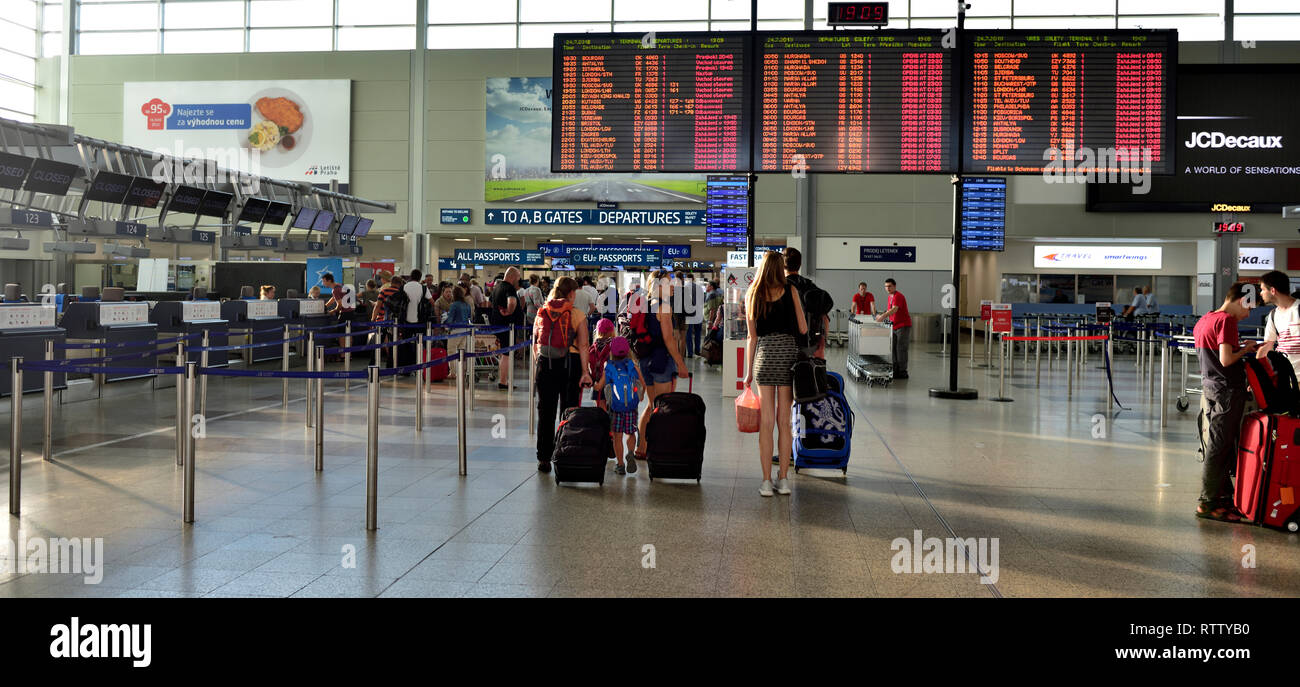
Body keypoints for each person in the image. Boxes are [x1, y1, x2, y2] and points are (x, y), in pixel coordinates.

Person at [744, 250, 809, 497]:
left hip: (764, 358)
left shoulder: (752, 295)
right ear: (780, 268)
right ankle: (783, 480)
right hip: (787, 357)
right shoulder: (790, 290)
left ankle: (765, 482)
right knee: (785, 422)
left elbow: (752, 337)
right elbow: (802, 328)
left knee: (766, 422)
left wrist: (747, 372)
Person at [1194, 282, 1257, 523]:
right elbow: (1226, 359)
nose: (1248, 315)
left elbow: (1212, 357)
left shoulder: (1205, 319)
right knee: (1219, 447)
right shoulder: (1227, 321)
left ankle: (1222, 498)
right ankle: (1207, 502)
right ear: (1242, 300)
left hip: (1210, 388)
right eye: (1249, 309)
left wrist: (1238, 348)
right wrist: (1246, 349)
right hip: (1227, 391)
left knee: (1218, 443)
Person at [533, 276, 592, 473]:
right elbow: (584, 345)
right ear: (571, 293)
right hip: (570, 364)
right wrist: (585, 372)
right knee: (569, 412)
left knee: (545, 411)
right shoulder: (576, 315)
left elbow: (536, 343)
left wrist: (539, 365)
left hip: (545, 364)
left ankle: (543, 457)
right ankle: (565, 453)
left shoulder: (543, 311)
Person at [632, 270, 689, 466]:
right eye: (668, 282)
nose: (672, 286)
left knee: (651, 405)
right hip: (661, 361)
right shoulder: (663, 307)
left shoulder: (647, 304)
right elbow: (668, 339)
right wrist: (680, 363)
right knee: (662, 407)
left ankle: (642, 447)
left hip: (645, 360)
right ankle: (658, 448)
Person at [595, 336, 646, 476]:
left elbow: (599, 386)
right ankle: (630, 452)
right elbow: (642, 383)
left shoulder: (609, 366)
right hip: (631, 407)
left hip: (616, 408)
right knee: (630, 433)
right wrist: (640, 396)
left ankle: (620, 465)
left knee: (617, 436)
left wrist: (594, 384)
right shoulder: (633, 365)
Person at [783, 248, 829, 359]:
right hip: (810, 345)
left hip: (785, 346)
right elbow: (825, 318)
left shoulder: (780, 288)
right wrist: (822, 344)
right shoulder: (810, 286)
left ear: (783, 265)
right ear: (800, 264)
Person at [489, 267, 523, 390]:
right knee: (507, 354)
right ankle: (503, 382)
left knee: (504, 354)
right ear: (513, 277)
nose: (518, 281)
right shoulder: (509, 288)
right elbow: (512, 302)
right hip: (507, 326)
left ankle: (502, 380)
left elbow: (490, 303)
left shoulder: (497, 287)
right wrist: (510, 311)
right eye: (518, 278)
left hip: (498, 324)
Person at [1258, 270, 1300, 369]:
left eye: (1263, 289)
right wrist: (1257, 378)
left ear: (1272, 290)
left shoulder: (1298, 309)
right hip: (1284, 378)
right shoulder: (1273, 315)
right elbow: (1267, 347)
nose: (1261, 293)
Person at [876, 278, 911, 379]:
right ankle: (895, 368)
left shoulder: (898, 296)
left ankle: (903, 371)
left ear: (895, 286)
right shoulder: (889, 297)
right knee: (893, 348)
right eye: (886, 286)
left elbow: (894, 309)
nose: (887, 288)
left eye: (890, 286)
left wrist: (882, 316)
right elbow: (889, 310)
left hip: (902, 326)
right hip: (894, 325)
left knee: (901, 348)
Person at [398, 270, 428, 368]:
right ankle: (420, 365)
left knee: (406, 344)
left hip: (405, 321)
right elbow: (432, 302)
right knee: (421, 344)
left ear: (411, 276)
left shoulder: (403, 287)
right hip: (420, 321)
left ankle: (406, 367)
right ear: (420, 277)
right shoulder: (423, 288)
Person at [444, 285, 473, 378]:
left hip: (455, 331)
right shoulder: (467, 305)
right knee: (462, 352)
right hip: (465, 330)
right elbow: (469, 317)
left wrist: (446, 327)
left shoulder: (454, 305)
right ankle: (462, 371)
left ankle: (453, 373)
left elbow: (450, 319)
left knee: (451, 351)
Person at [588, 317, 616, 411]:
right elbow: (609, 366)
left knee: (601, 410)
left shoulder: (593, 347)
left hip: (597, 382)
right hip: (612, 383)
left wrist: (597, 383)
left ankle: (604, 424)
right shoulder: (614, 345)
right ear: (612, 331)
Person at [684, 274, 706, 359]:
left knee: (688, 334)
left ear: (687, 279)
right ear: (693, 279)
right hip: (698, 313)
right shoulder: (700, 288)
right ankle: (697, 350)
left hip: (688, 314)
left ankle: (690, 353)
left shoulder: (684, 287)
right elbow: (703, 300)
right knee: (698, 333)